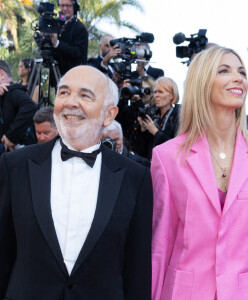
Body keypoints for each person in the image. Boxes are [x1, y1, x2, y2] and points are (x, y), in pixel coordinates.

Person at [151, 46, 248, 300]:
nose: (239, 77)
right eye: (224, 70)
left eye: (241, 71)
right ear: (202, 82)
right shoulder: (167, 157)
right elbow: (160, 246)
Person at [0, 65, 152, 299]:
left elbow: (137, 269)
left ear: (109, 114)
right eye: (63, 92)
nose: (70, 102)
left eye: (85, 95)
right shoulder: (14, 166)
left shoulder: (135, 177)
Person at [137, 76, 180, 159]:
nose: (156, 95)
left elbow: (176, 148)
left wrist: (156, 132)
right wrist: (142, 130)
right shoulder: (153, 115)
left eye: (160, 92)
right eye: (155, 92)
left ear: (172, 95)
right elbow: (141, 152)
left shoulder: (178, 115)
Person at [0, 60, 37, 154]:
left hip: (19, 151)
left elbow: (30, 107)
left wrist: (11, 136)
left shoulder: (12, 91)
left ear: (1, 74)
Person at [51, 0, 88, 75]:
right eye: (62, 5)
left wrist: (57, 43)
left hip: (73, 76)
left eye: (68, 6)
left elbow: (78, 53)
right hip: (55, 74)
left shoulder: (80, 27)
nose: (65, 8)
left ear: (74, 6)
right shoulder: (55, 24)